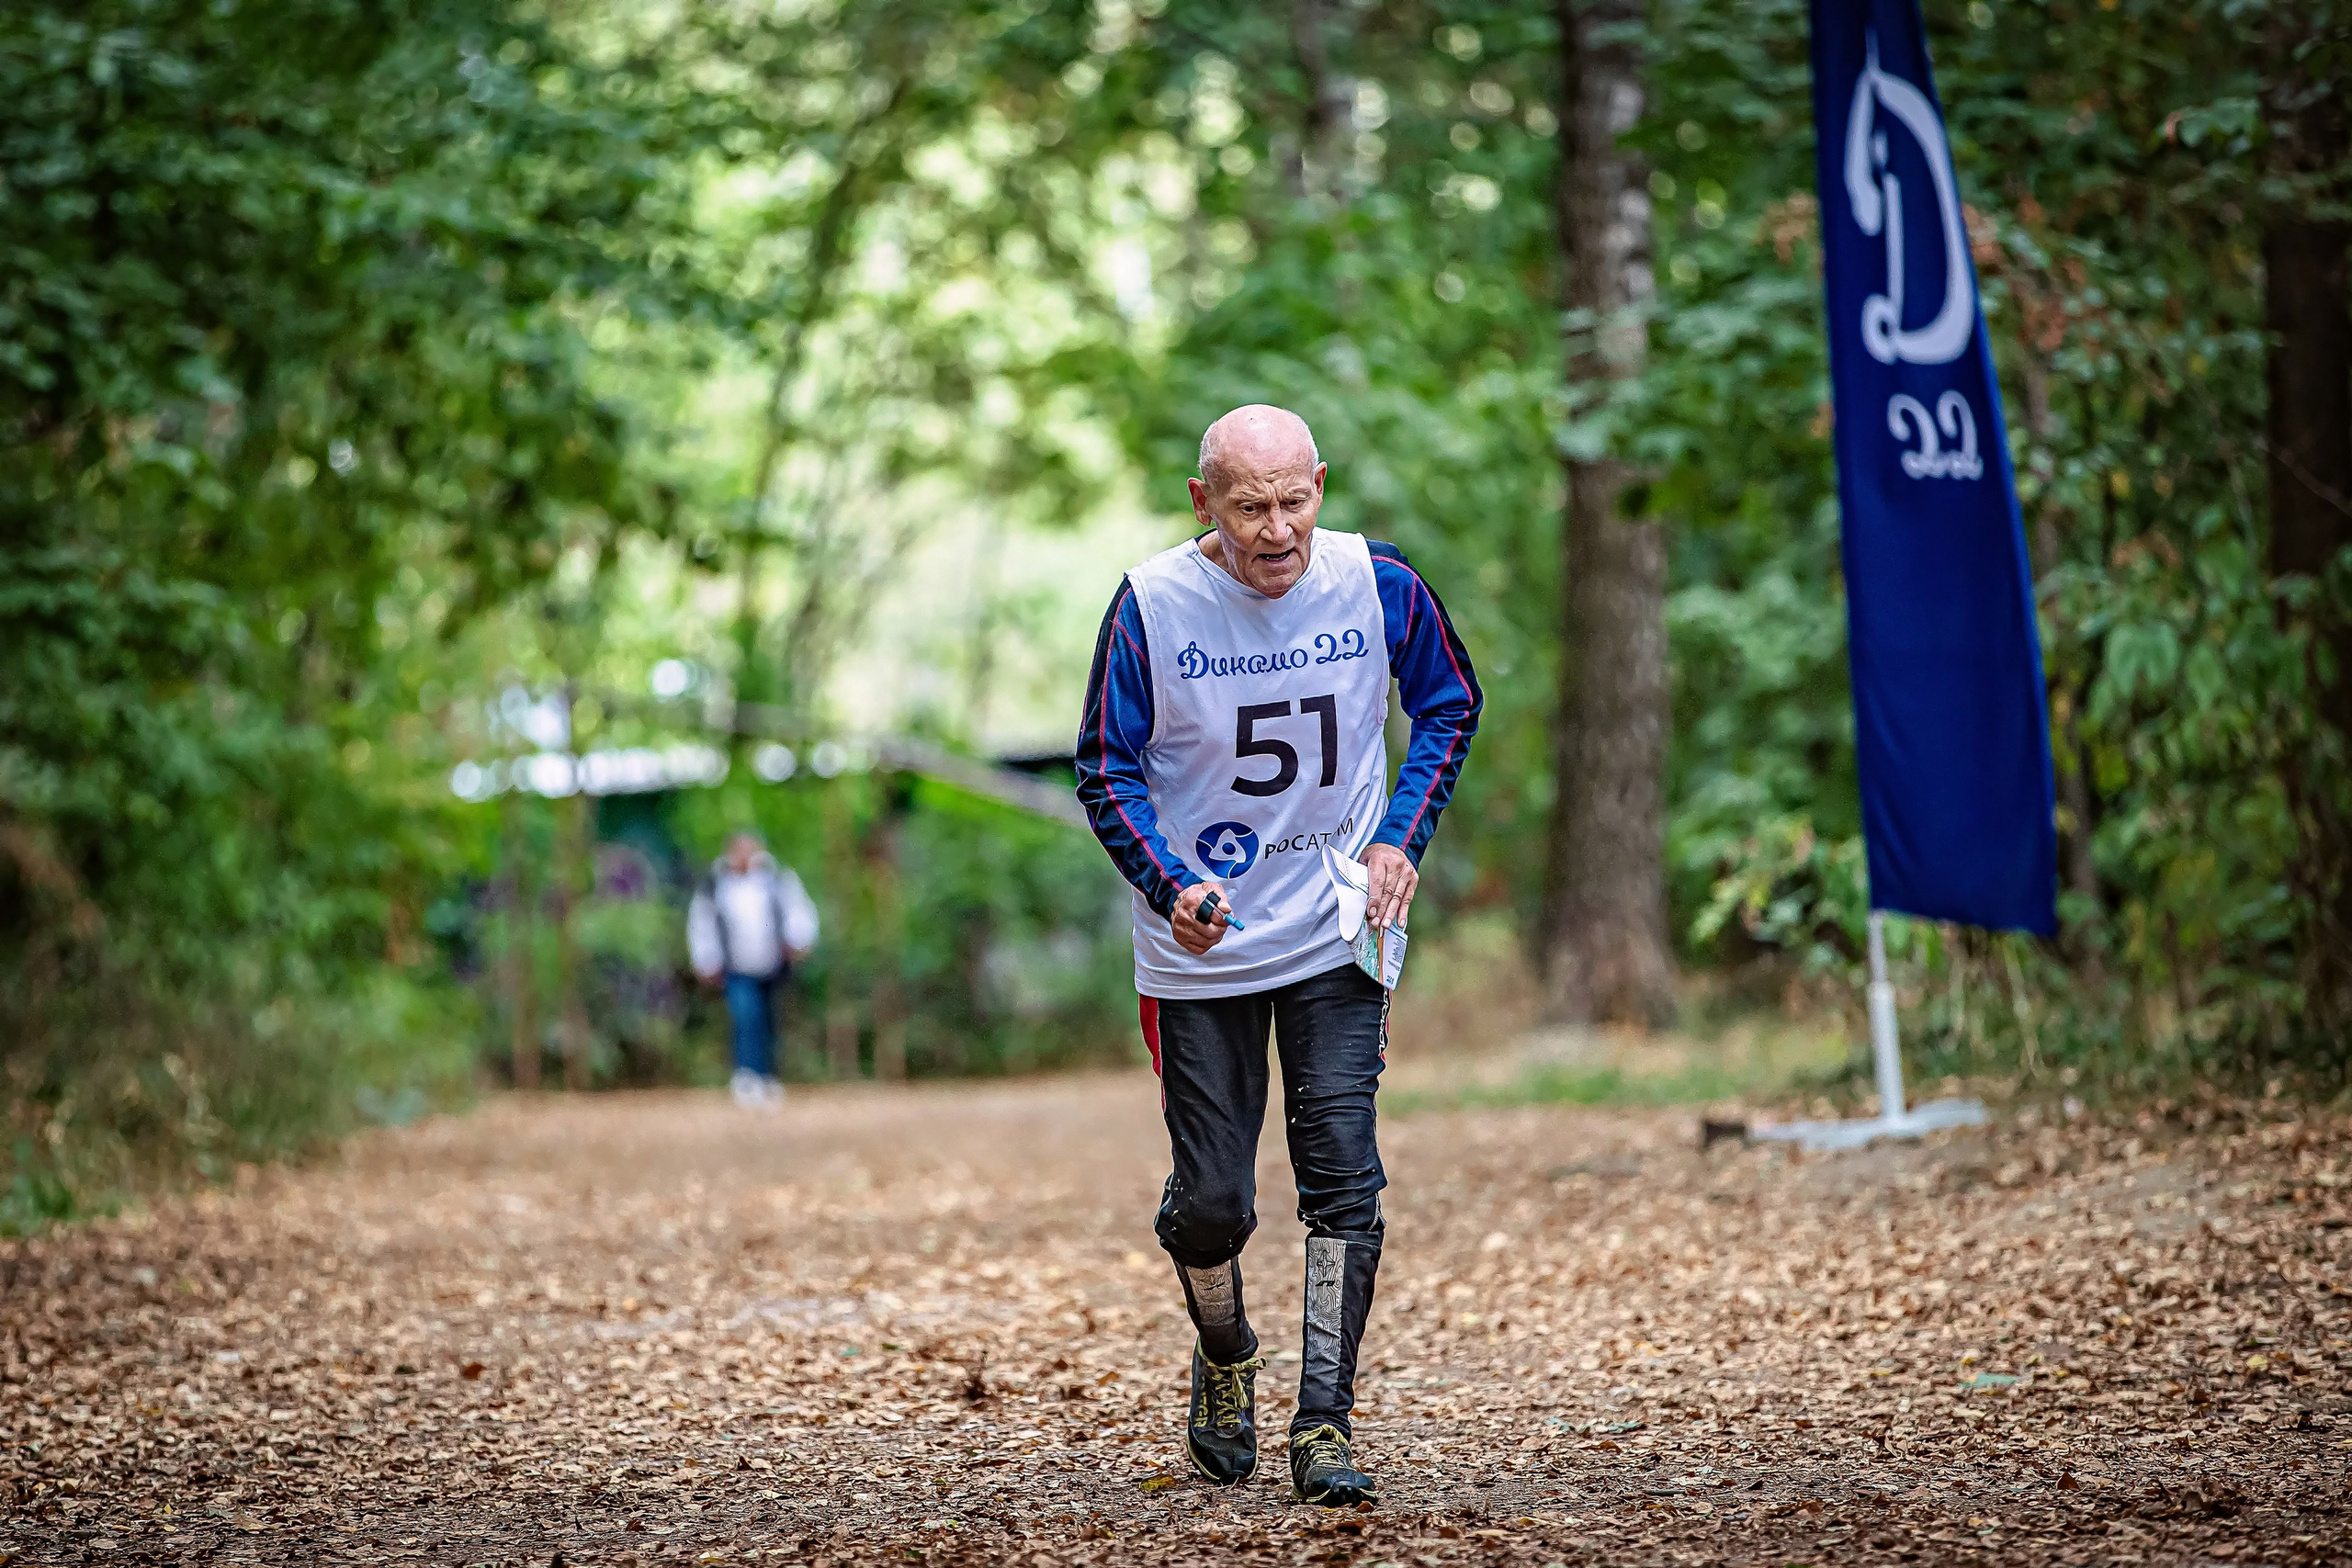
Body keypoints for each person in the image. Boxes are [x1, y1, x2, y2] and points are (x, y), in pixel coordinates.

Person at [1075, 405, 1481, 1506]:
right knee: (1211, 1206)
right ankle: (1223, 1350)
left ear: (1321, 489)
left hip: (1337, 928)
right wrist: (1170, 885)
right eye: (1249, 506)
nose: (1276, 531)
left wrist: (1398, 838)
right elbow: (1103, 769)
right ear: (1203, 502)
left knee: (1343, 1178)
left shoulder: (1379, 583)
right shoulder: (1152, 606)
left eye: (1294, 501)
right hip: (1200, 943)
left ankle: (1325, 1423)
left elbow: (1449, 704)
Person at [686, 830, 820, 1109]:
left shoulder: (778, 880)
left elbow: (798, 912)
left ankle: (768, 1075)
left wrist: (800, 941)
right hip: (736, 968)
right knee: (746, 1018)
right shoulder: (715, 885)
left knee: (769, 1021)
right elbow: (702, 924)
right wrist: (706, 960)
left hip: (772, 966)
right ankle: (746, 1076)